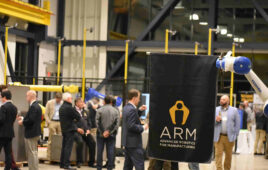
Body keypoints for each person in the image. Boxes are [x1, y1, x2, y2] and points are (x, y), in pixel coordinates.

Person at [122, 89, 147, 170]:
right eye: (138, 97)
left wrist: (139, 110)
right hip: (134, 144)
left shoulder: (126, 107)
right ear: (134, 98)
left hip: (127, 142)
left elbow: (131, 119)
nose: (139, 100)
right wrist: (143, 127)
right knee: (139, 166)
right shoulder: (132, 109)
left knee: (128, 166)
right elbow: (131, 125)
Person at [18, 90, 42, 170]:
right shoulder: (37, 106)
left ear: (31, 96)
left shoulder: (33, 106)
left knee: (32, 153)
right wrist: (24, 118)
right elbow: (33, 119)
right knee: (34, 152)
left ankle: (33, 168)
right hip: (35, 132)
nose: (26, 97)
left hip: (31, 133)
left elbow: (31, 120)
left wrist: (23, 122)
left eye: (27, 96)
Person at [214, 95, 240, 170]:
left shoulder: (234, 110)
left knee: (228, 156)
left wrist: (235, 135)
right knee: (218, 156)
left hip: (230, 137)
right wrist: (216, 120)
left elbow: (237, 124)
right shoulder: (216, 110)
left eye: (224, 99)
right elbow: (211, 123)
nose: (221, 100)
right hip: (219, 137)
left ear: (228, 101)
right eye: (221, 99)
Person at [59, 93, 83, 170]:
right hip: (70, 129)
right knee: (68, 148)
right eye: (71, 98)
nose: (71, 99)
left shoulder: (62, 107)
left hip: (64, 129)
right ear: (68, 99)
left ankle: (62, 163)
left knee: (64, 147)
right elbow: (78, 116)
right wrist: (74, 119)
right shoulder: (69, 108)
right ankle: (66, 164)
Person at [96, 95, 120, 170]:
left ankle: (99, 167)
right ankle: (110, 167)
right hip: (112, 134)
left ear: (104, 101)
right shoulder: (116, 111)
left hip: (100, 134)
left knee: (99, 151)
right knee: (110, 151)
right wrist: (109, 132)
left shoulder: (99, 110)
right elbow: (116, 124)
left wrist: (103, 132)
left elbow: (97, 122)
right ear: (111, 102)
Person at [74, 97, 96, 168]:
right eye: (81, 102)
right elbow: (70, 123)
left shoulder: (85, 111)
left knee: (92, 142)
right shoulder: (72, 111)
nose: (83, 103)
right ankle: (79, 161)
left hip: (85, 132)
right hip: (76, 131)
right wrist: (77, 129)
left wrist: (89, 129)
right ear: (76, 103)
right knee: (80, 142)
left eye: (83, 102)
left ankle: (91, 162)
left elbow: (89, 122)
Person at [0, 90, 17, 170]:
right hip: (10, 133)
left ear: (4, 97)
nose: (1, 99)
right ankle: (7, 168)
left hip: (1, 133)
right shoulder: (14, 107)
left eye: (1, 97)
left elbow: (1, 120)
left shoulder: (3, 107)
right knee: (8, 153)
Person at [44, 92, 63, 161]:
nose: (59, 101)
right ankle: (49, 157)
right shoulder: (49, 103)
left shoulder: (62, 103)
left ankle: (58, 157)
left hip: (60, 123)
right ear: (55, 98)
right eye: (58, 99)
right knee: (51, 140)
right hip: (52, 121)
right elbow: (46, 114)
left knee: (60, 140)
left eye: (60, 99)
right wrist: (49, 122)